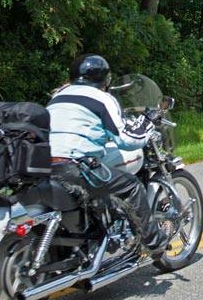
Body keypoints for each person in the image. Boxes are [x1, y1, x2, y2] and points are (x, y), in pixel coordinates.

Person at [47, 54, 163, 250]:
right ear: (105, 79)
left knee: (99, 176)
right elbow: (126, 139)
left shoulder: (57, 97)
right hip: (74, 167)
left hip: (43, 166)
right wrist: (147, 123)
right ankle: (154, 242)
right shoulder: (101, 98)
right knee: (132, 186)